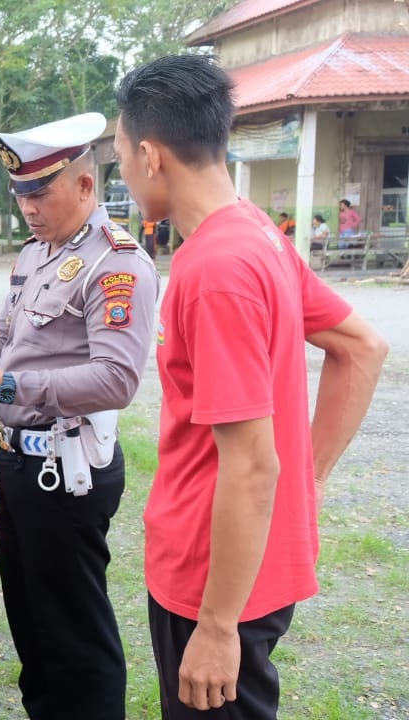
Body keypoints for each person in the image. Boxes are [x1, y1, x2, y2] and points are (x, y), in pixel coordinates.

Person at [114, 54, 388, 719]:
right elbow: (362, 347)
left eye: (119, 154)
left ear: (151, 155)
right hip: (243, 558)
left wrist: (215, 627)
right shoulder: (256, 234)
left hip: (213, 572)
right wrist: (307, 478)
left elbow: (252, 463)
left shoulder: (216, 270)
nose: (120, 170)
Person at [0, 112, 160, 720]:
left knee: (74, 632)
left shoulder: (117, 263)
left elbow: (117, 379)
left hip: (69, 467)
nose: (28, 208)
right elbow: (4, 333)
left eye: (41, 192)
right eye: (21, 195)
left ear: (84, 186)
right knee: (32, 620)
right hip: (22, 464)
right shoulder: (36, 254)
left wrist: (3, 384)